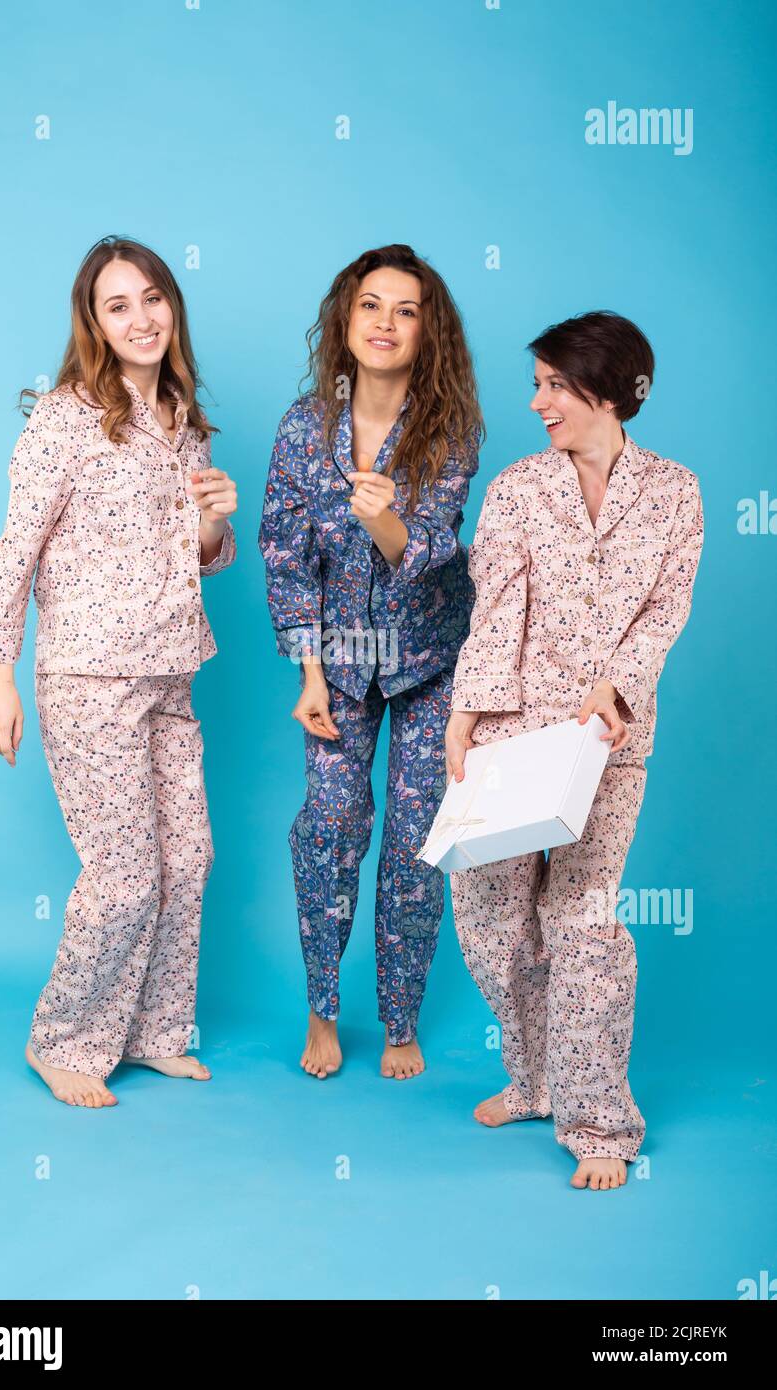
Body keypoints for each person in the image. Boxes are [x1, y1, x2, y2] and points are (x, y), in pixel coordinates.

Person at [0, 235, 237, 1108]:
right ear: (94, 322)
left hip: (169, 671)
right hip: (88, 677)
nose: (141, 317)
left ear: (172, 308)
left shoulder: (184, 419)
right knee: (124, 872)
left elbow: (192, 557)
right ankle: (64, 1040)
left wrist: (210, 524)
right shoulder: (63, 417)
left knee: (187, 858)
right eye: (119, 305)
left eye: (152, 298)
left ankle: (154, 1033)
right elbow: (18, 547)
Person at [445, 310, 703, 1189]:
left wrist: (618, 684)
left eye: (556, 384)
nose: (538, 401)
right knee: (488, 919)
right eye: (540, 382)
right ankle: (535, 1077)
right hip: (517, 733)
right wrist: (467, 715)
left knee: (582, 920)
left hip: (608, 739)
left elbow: (666, 608)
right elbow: (496, 610)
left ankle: (599, 1122)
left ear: (611, 388)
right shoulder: (518, 489)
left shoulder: (677, 493)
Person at [259, 244, 483, 1080]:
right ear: (345, 321)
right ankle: (323, 1009)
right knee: (330, 826)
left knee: (420, 840)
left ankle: (400, 1020)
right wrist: (310, 674)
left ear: (429, 333)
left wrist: (384, 516)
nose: (385, 323)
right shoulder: (302, 426)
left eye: (406, 311)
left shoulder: (450, 427)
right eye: (370, 306)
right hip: (340, 664)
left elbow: (432, 556)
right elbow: (285, 555)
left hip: (430, 662)